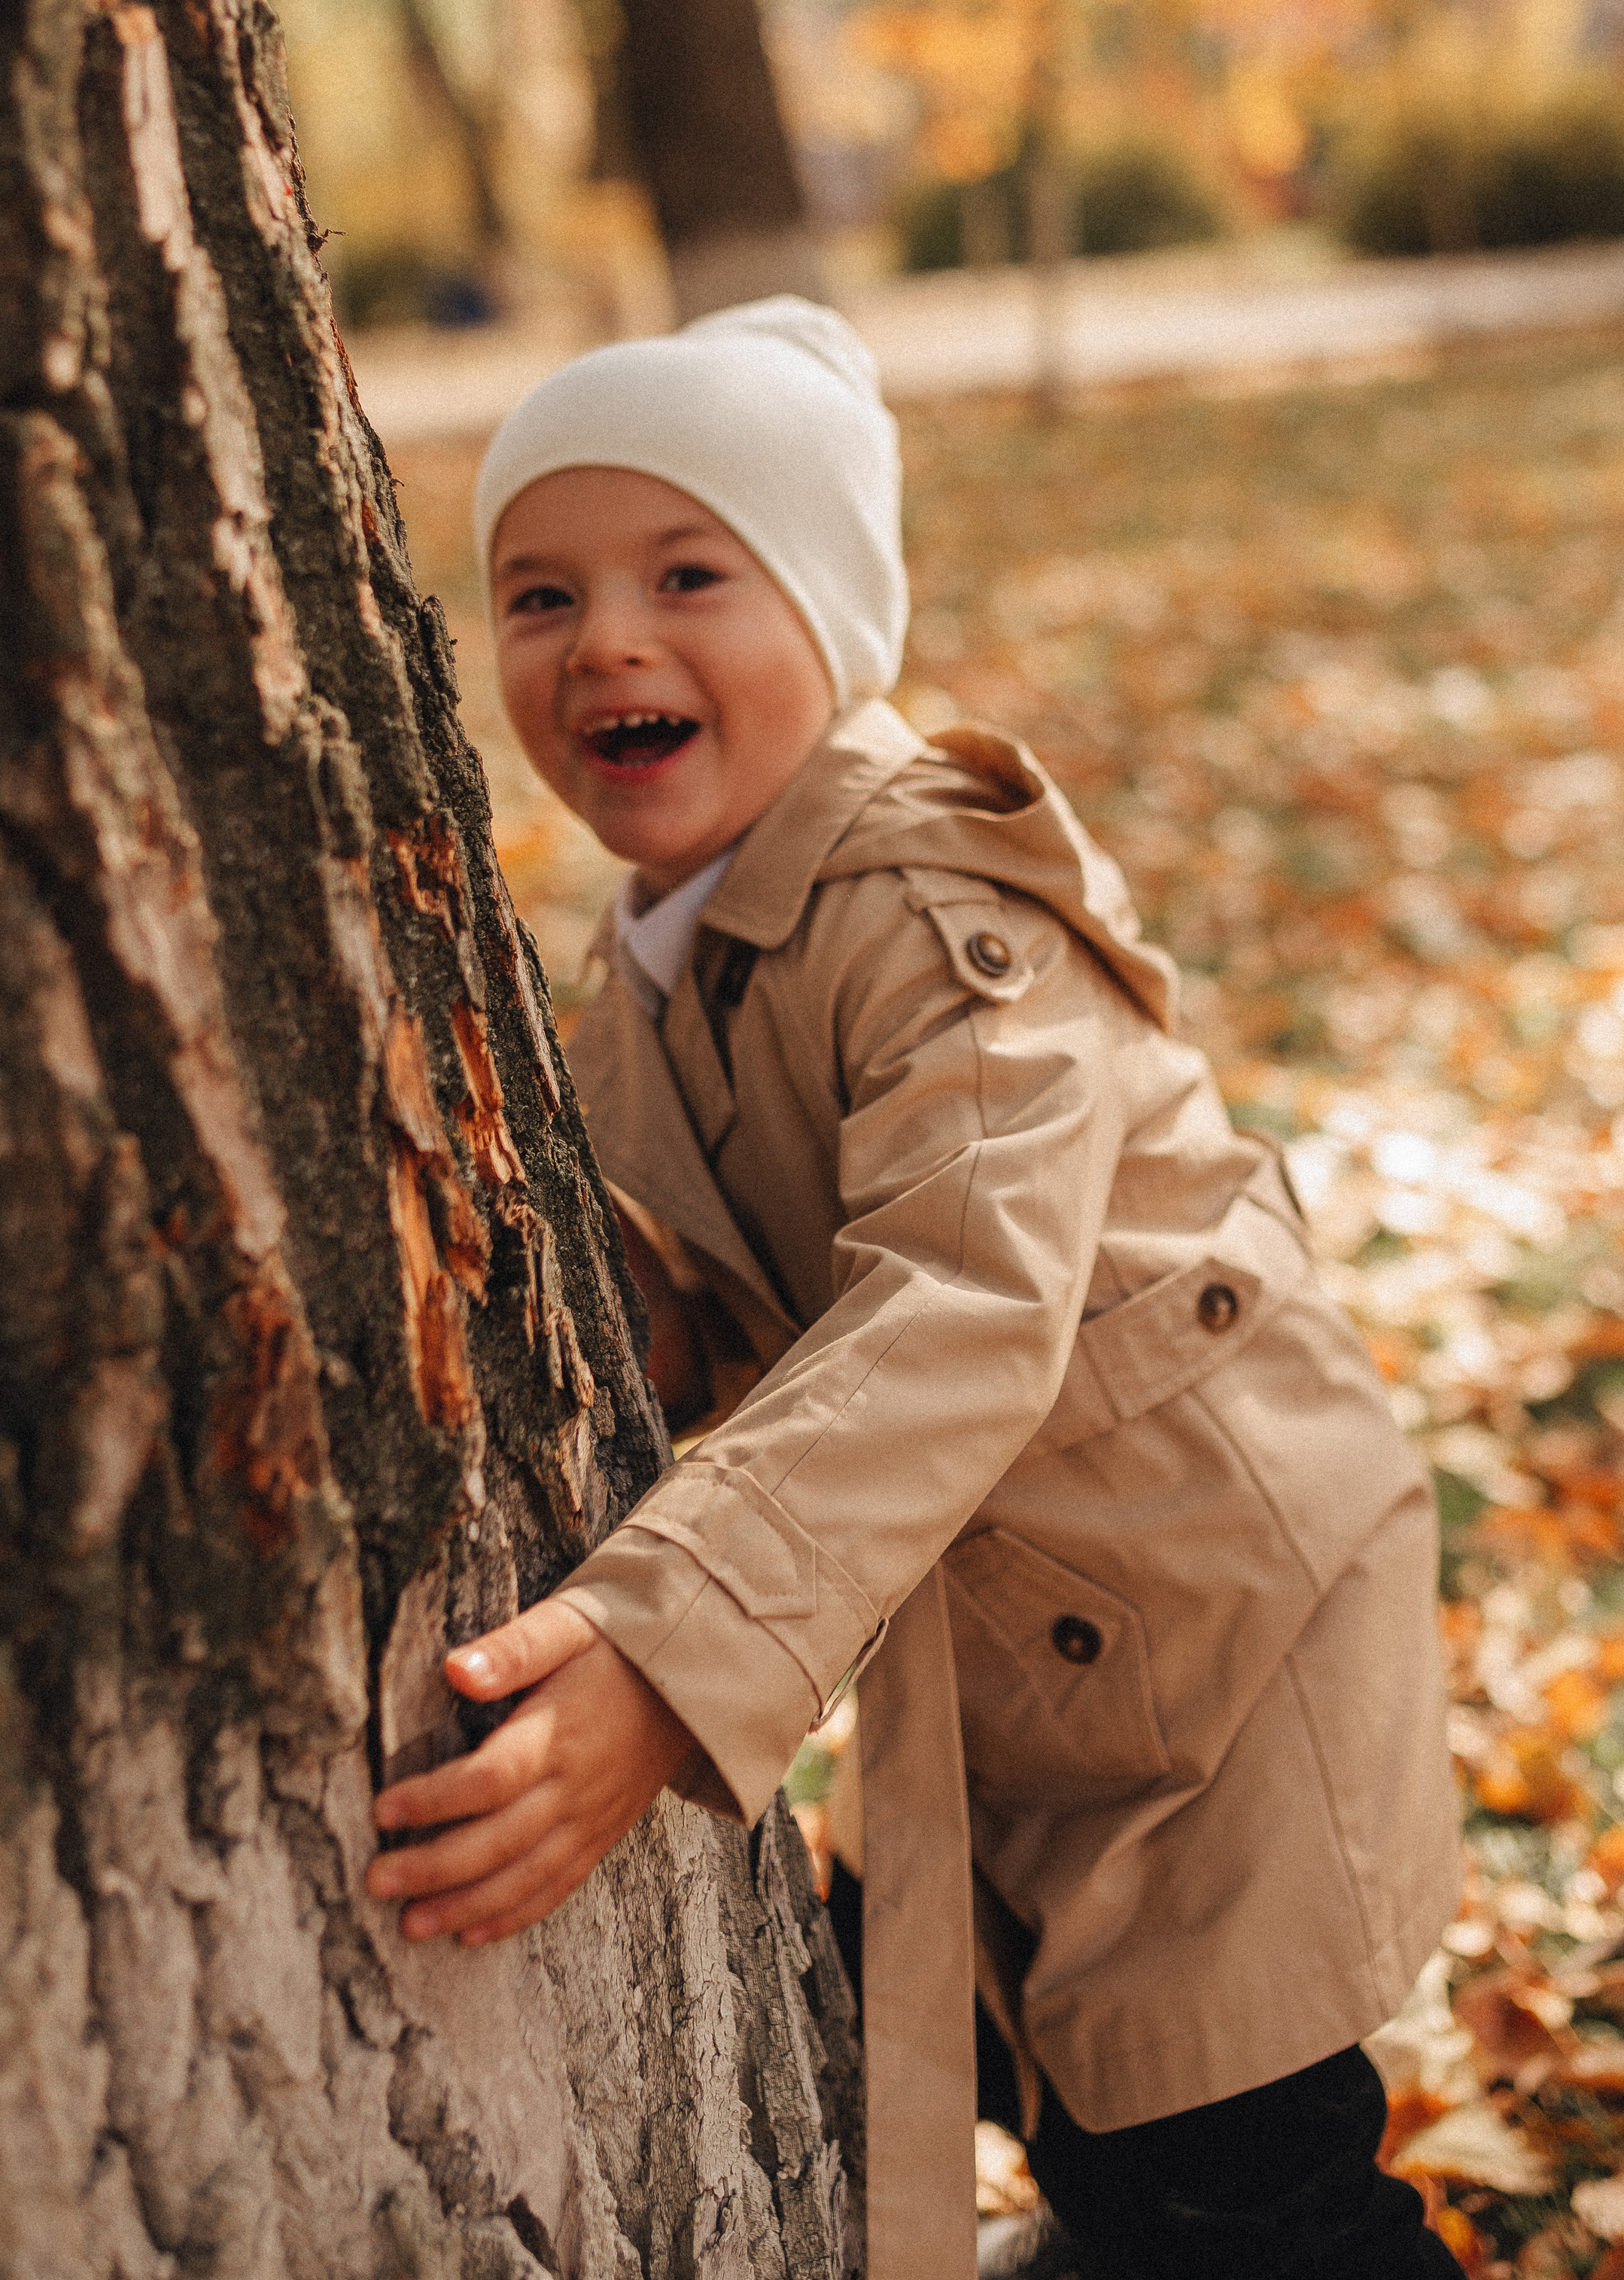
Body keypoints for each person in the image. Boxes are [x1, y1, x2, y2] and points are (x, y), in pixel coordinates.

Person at [366, 299, 1463, 2280]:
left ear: (835, 615)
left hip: (1211, 1625)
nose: (607, 637)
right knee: (949, 2026)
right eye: (541, 593)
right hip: (1006, 1623)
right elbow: (702, 1271)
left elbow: (960, 1296)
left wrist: (663, 1648)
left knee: (1233, 2149)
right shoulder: (652, 955)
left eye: (690, 574)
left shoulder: (936, 909)